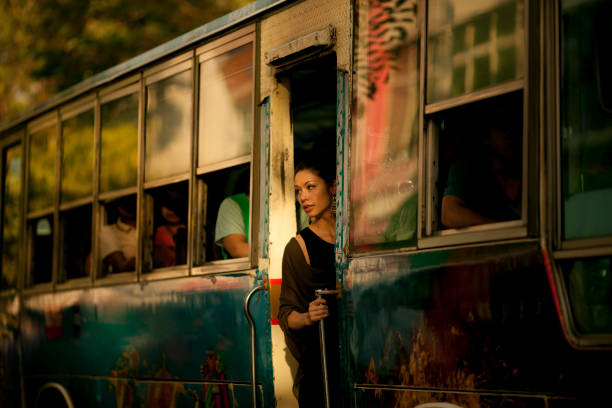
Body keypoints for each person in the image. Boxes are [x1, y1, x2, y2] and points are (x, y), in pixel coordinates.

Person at [278, 156, 341, 407]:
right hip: (322, 362)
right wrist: (308, 316)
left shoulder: (357, 235)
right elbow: (285, 313)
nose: (303, 197)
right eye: (298, 191)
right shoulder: (298, 247)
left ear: (333, 187)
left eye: (310, 187)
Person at [441, 122, 521, 229]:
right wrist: (500, 228)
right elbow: (449, 214)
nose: (509, 134)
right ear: (486, 137)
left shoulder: (532, 169)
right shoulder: (469, 169)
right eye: (501, 128)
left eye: (514, 128)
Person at [99, 196, 137, 274]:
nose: (128, 205)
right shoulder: (108, 232)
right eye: (122, 203)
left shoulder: (148, 226)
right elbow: (121, 265)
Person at [154, 189, 187, 268]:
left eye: (176, 208)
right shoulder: (159, 232)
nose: (172, 212)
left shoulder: (192, 229)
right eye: (168, 207)